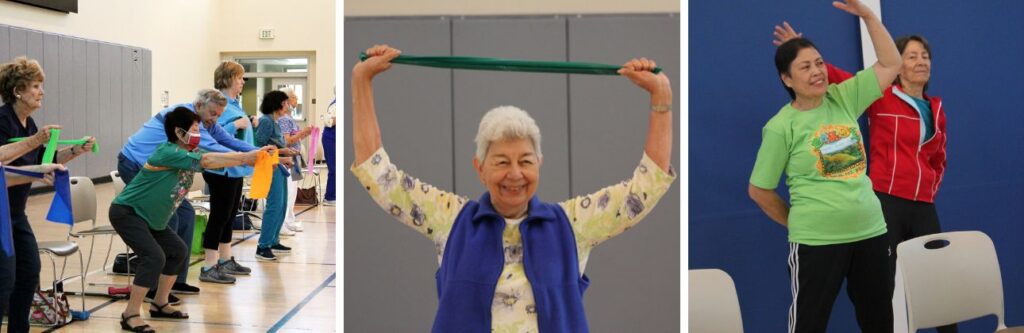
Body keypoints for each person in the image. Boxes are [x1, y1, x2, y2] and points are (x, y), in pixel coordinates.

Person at [351, 45, 675, 332]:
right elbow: (378, 175)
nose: (515, 174)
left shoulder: (573, 224)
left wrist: (661, 98)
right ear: (480, 169)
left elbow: (647, 186)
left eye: (526, 161)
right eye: (502, 162)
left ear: (540, 164)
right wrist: (361, 82)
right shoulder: (450, 219)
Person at [773, 23, 953, 332]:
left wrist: (930, 185)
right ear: (899, 66)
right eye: (911, 57)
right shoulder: (882, 97)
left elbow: (939, 156)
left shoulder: (935, 109)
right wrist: (799, 49)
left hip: (923, 204)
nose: (921, 61)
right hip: (885, 203)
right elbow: (834, 78)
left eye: (925, 56)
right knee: (879, 292)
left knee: (937, 283)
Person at [747, 1, 902, 332]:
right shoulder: (781, 126)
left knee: (879, 322)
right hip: (816, 241)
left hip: (871, 232)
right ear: (786, 79)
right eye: (804, 67)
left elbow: (891, 62)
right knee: (808, 324)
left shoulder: (844, 97)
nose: (817, 71)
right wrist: (798, 222)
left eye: (819, 63)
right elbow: (759, 190)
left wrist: (869, 17)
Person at [111, 107, 270, 333]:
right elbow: (208, 160)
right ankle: (131, 314)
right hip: (129, 213)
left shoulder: (188, 152)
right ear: (179, 132)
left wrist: (270, 155)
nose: (199, 134)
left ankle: (160, 303)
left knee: (177, 250)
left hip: (152, 218)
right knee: (154, 257)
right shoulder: (167, 151)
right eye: (195, 129)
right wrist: (246, 158)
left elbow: (220, 152)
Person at [120, 89, 258, 292]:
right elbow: (212, 150)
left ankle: (175, 280)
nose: (215, 119)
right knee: (170, 218)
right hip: (135, 163)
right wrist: (248, 157)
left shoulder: (205, 120)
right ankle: (155, 284)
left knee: (186, 214)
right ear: (200, 106)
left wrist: (261, 151)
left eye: (219, 115)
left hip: (160, 168)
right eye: (213, 114)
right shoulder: (186, 120)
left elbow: (226, 140)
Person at [0, 56, 95, 332]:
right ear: (18, 91)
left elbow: (45, 159)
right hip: (1, 215)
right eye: (35, 86)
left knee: (29, 273)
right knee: (4, 281)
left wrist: (77, 150)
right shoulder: (4, 121)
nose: (42, 92)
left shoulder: (28, 124)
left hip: (16, 214)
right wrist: (36, 140)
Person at [201, 61, 258, 284]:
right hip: (221, 169)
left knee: (229, 216)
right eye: (239, 77)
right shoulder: (218, 103)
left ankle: (225, 259)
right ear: (228, 79)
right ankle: (208, 266)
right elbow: (213, 133)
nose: (243, 82)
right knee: (219, 216)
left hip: (235, 169)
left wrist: (249, 122)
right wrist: (237, 125)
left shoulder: (234, 103)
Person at [253, 91, 297, 261]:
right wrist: (282, 152)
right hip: (270, 166)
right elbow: (260, 145)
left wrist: (283, 155)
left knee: (282, 204)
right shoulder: (266, 121)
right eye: (285, 103)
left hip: (278, 165)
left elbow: (274, 145)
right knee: (274, 204)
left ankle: (273, 240)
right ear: (277, 104)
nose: (288, 106)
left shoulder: (275, 122)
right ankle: (263, 245)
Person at [277, 87, 312, 233]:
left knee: (294, 191)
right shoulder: (284, 119)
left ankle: (290, 220)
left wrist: (304, 134)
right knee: (289, 191)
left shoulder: (290, 118)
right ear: (286, 100)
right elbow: (286, 141)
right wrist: (303, 132)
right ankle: (284, 222)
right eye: (294, 97)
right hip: (289, 158)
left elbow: (294, 137)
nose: (297, 100)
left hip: (295, 157)